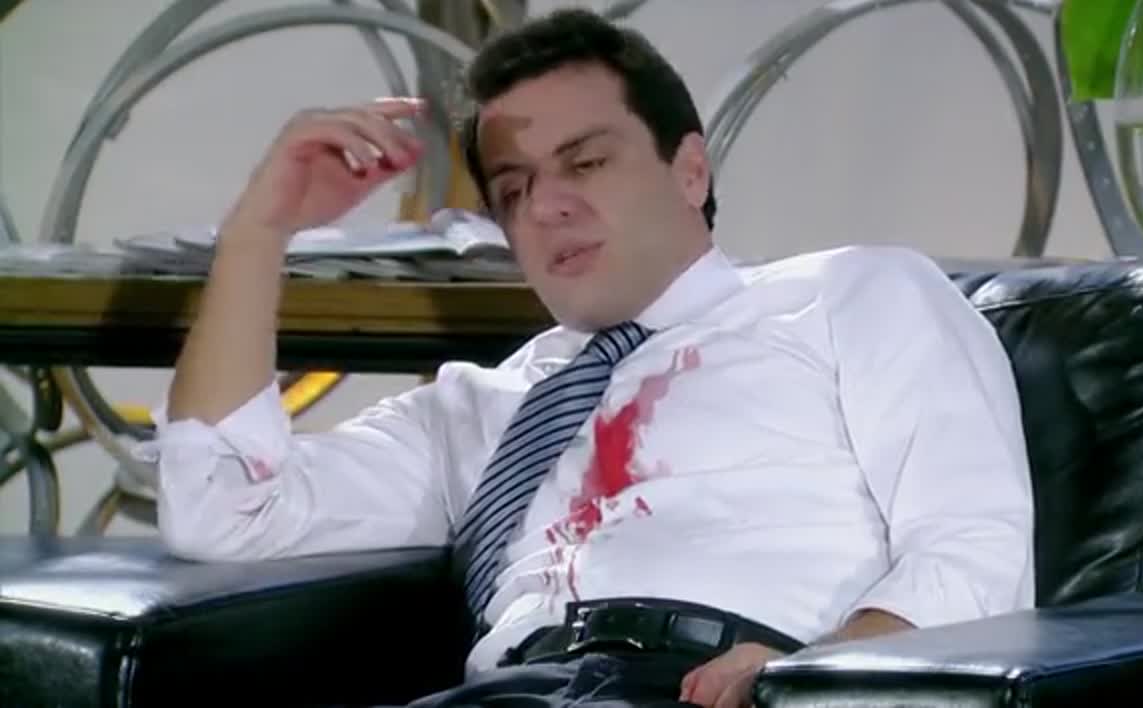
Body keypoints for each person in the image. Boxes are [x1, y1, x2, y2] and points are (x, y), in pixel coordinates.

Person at [144, 8, 1035, 707]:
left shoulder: (853, 295)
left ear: (690, 171)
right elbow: (223, 509)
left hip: (728, 685)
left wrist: (818, 677)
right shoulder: (484, 406)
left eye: (586, 163)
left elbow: (974, 547)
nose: (546, 207)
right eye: (515, 189)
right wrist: (261, 230)